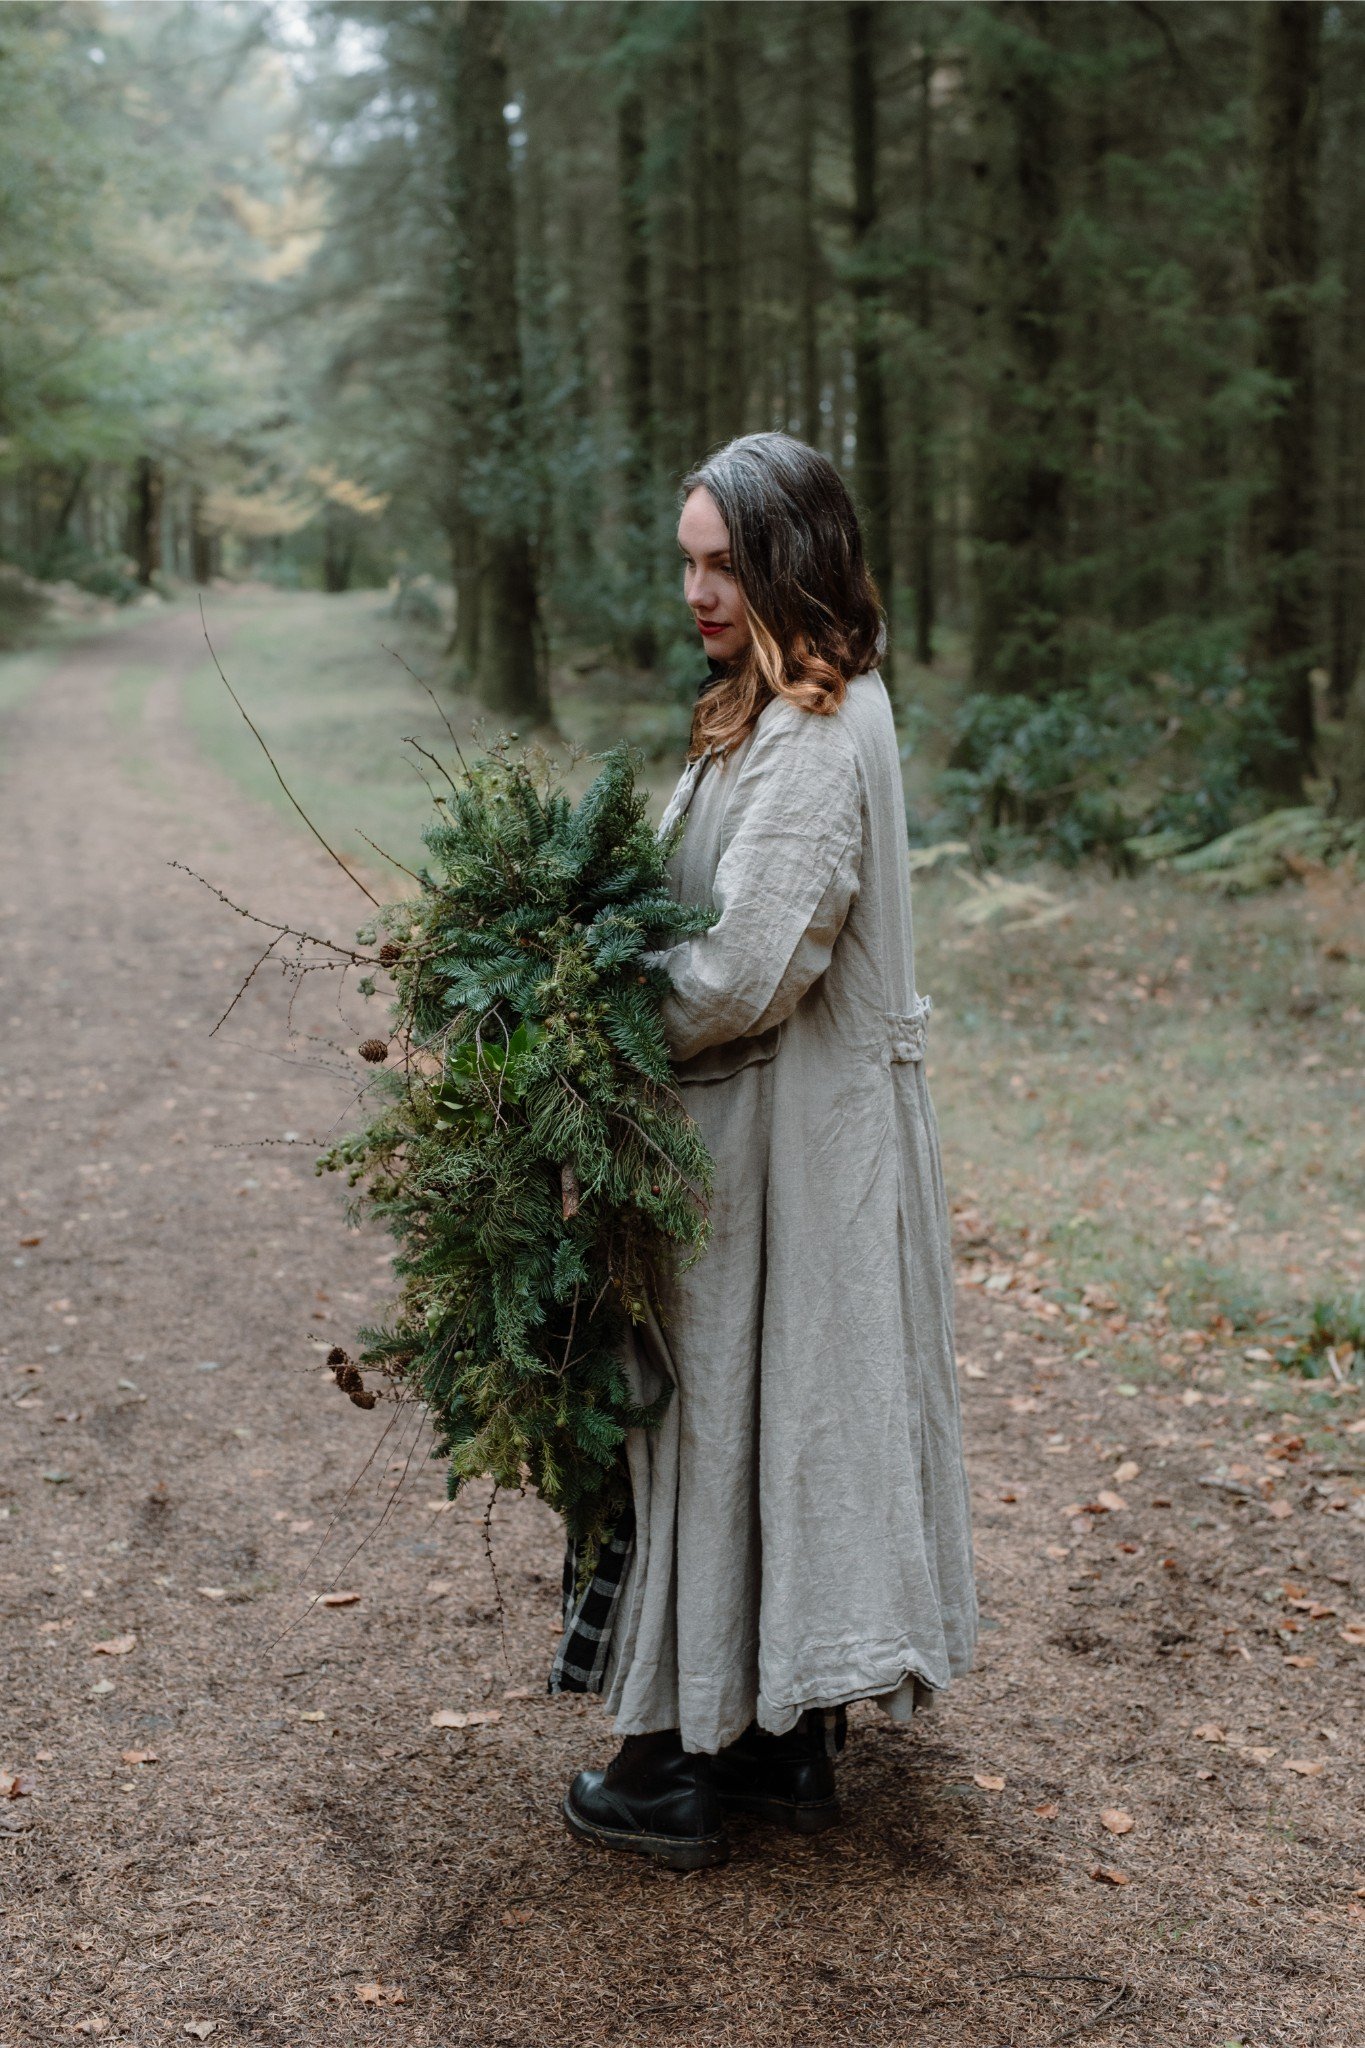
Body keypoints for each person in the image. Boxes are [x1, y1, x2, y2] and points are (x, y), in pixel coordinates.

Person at [557, 432, 977, 1870]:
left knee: (721, 1412)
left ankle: (670, 1762)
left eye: (724, 562)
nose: (697, 590)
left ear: (789, 556)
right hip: (781, 1131)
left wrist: (589, 1033)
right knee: (779, 1412)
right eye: (686, 561)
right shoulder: (793, 706)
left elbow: (740, 970)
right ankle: (780, 1739)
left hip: (784, 1142)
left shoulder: (810, 735)